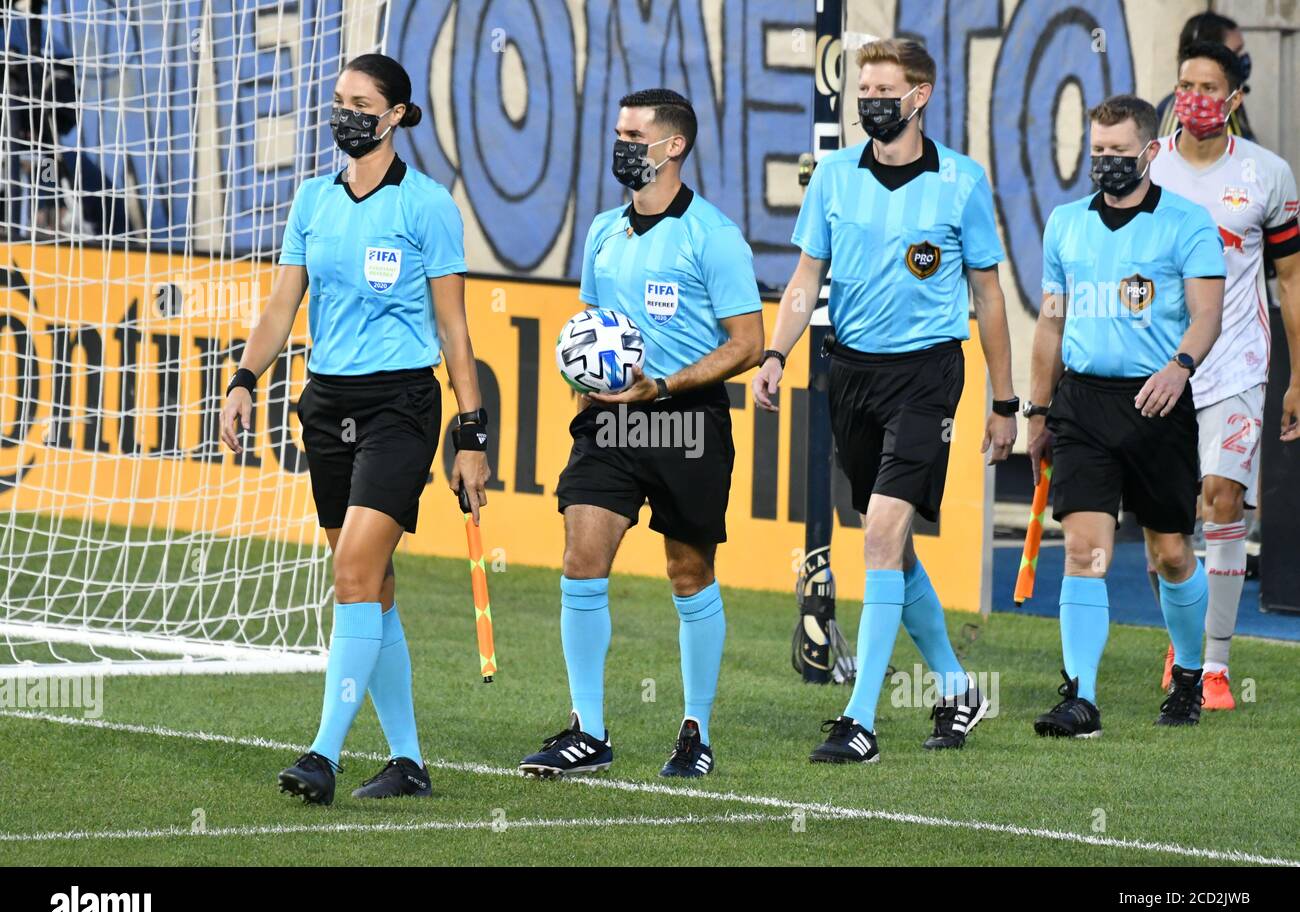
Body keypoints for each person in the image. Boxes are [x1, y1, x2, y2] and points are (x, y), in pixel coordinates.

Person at [219, 53, 490, 805]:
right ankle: (408, 761)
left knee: (351, 578)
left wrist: (472, 436)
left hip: (401, 407)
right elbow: (281, 307)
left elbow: (455, 329)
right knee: (372, 584)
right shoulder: (313, 199)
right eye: (339, 100)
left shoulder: (428, 206)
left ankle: (321, 756)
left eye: (361, 102)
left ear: (396, 114)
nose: (345, 113)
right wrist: (245, 378)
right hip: (325, 404)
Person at [754, 38, 1017, 765]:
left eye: (882, 88)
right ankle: (960, 687)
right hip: (851, 374)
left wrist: (1006, 400)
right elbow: (807, 276)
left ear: (921, 95)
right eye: (861, 88)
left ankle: (859, 718)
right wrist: (778, 351)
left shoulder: (962, 181)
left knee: (877, 536)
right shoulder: (834, 176)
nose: (868, 99)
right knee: (890, 547)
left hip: (928, 375)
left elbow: (988, 295)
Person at [518, 88, 764, 780]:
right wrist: (585, 405)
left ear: (673, 146)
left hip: (687, 423)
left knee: (688, 572)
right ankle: (588, 731)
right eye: (619, 132)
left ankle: (696, 729)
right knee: (581, 556)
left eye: (635, 135)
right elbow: (584, 333)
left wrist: (664, 385)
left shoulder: (712, 236)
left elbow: (747, 343)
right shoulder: (602, 231)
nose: (622, 145)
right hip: (610, 423)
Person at [1027, 95, 1224, 737]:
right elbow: (1050, 324)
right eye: (1098, 151)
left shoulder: (1187, 224)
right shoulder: (1064, 224)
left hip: (1159, 401)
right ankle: (1080, 698)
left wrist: (1180, 367)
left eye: (1119, 152)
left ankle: (1190, 675)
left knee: (1170, 552)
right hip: (1083, 403)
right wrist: (1036, 411)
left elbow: (1207, 315)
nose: (1106, 162)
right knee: (1084, 551)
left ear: (1150, 151)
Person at [1149, 42, 1300, 708]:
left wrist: (1299, 380)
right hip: (1161, 361)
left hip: (1236, 359)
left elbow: (1291, 281)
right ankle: (1184, 636)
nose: (1195, 97)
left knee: (1223, 499)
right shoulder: (1150, 165)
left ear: (1235, 98)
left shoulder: (1269, 174)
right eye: (1185, 84)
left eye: (1209, 86)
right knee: (1168, 515)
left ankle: (1212, 663)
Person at [1155, 12, 1256, 142]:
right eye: (1235, 52)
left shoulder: (1228, 102)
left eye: (1209, 88)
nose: (1242, 59)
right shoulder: (1181, 109)